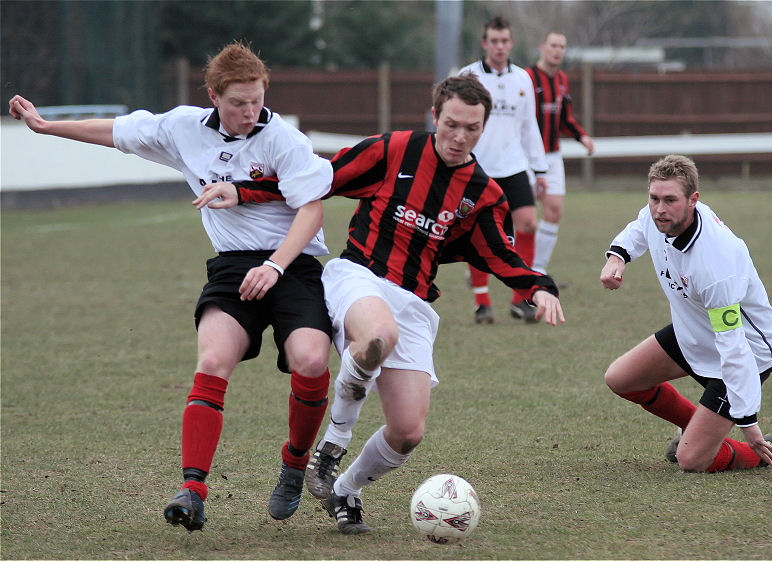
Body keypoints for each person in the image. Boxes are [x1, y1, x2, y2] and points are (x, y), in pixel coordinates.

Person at [194, 74, 566, 534]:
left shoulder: (483, 195)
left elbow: (500, 256)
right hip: (359, 277)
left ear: (483, 128)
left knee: (408, 431)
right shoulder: (394, 150)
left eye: (472, 128)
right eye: (451, 124)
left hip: (413, 302)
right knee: (378, 336)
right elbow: (319, 179)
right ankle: (331, 447)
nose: (459, 136)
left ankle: (345, 490)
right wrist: (245, 190)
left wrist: (539, 286)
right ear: (435, 116)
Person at [9, 40, 335, 531]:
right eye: (238, 103)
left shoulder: (283, 140)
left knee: (311, 361)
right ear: (213, 97)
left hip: (294, 263)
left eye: (257, 99)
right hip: (231, 269)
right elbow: (117, 131)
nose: (251, 111)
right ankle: (193, 489)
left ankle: (293, 464)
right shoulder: (183, 128)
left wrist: (275, 267)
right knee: (211, 361)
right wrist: (48, 126)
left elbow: (311, 209)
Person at [600, 154, 772, 473]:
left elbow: (733, 346)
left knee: (691, 460)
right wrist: (617, 257)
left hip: (747, 350)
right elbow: (639, 228)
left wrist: (748, 423)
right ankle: (699, 429)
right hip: (696, 333)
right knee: (621, 379)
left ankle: (757, 453)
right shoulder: (659, 216)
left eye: (670, 200)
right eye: (654, 198)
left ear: (693, 200)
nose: (659, 209)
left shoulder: (717, 265)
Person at [460, 15, 549, 324]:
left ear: (510, 43)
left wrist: (540, 170)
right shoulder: (468, 76)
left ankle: (521, 299)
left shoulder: (523, 78)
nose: (499, 47)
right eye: (493, 41)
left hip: (514, 168)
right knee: (474, 235)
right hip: (477, 168)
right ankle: (482, 303)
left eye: (504, 41)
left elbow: (529, 128)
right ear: (485, 43)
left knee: (527, 224)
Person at [526, 31, 595, 276]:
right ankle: (489, 264)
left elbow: (564, 118)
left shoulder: (562, 79)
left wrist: (582, 136)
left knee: (554, 210)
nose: (558, 50)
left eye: (562, 46)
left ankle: (538, 269)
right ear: (542, 47)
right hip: (526, 157)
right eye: (553, 45)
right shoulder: (526, 78)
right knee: (518, 215)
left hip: (553, 156)